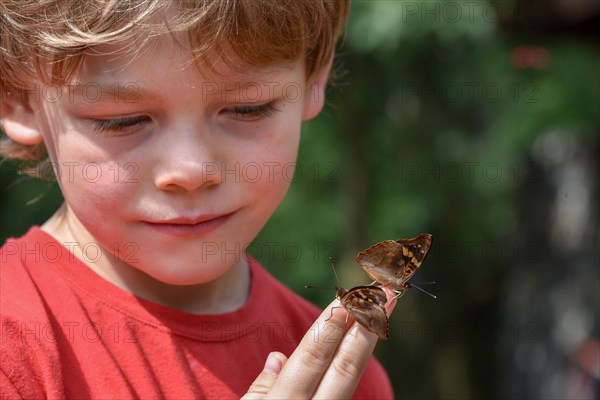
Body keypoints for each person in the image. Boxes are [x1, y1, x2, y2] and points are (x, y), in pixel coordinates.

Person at [0, 1, 396, 398]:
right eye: (122, 119)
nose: (191, 171)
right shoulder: (14, 347)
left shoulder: (343, 377)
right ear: (17, 96)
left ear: (313, 79)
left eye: (248, 108)